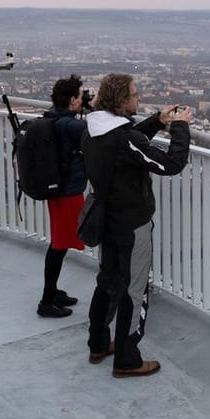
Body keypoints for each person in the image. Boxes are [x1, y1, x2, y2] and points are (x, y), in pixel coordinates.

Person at [80, 73, 191, 378]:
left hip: (107, 219)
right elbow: (170, 164)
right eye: (134, 94)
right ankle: (127, 358)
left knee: (107, 282)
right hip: (131, 224)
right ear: (121, 100)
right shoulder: (124, 139)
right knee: (134, 289)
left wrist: (157, 121)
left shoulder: (92, 130)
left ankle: (99, 344)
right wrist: (180, 126)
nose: (137, 98)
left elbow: (126, 143)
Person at [37, 74, 91, 318]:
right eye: (80, 97)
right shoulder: (70, 125)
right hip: (67, 193)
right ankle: (46, 301)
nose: (83, 100)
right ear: (71, 100)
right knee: (58, 247)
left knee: (58, 245)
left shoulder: (54, 117)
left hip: (59, 191)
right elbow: (96, 133)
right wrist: (98, 108)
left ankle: (52, 291)